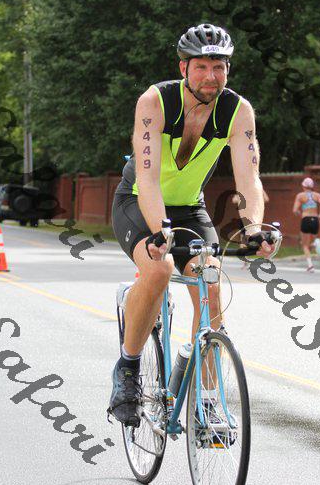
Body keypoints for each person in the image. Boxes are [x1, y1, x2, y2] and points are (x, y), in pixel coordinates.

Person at [108, 23, 274, 427]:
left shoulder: (238, 111)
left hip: (189, 209)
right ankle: (128, 368)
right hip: (138, 201)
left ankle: (209, 402)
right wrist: (158, 230)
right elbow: (147, 178)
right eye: (201, 66)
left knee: (210, 285)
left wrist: (254, 227)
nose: (210, 76)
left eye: (219, 67)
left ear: (228, 70)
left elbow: (248, 178)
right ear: (183, 68)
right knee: (159, 268)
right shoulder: (156, 101)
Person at [292, 177, 320, 272]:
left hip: (306, 219)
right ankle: (316, 242)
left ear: (303, 186)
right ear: (312, 186)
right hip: (315, 219)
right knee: (313, 239)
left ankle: (310, 266)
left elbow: (295, 210)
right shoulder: (317, 195)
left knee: (304, 245)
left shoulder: (300, 196)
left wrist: (299, 213)